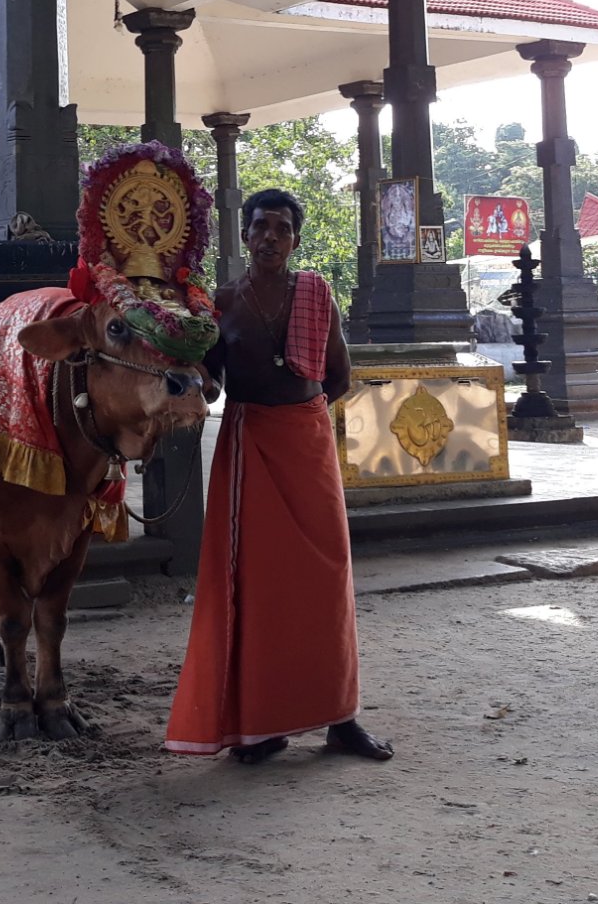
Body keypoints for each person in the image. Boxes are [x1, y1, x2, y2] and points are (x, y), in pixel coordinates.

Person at [165, 186, 393, 765]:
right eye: (261, 227)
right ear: (244, 235)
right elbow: (212, 380)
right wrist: (188, 376)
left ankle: (341, 720)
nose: (270, 238)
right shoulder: (221, 303)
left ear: (294, 239)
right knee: (257, 584)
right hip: (250, 446)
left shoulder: (316, 293)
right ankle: (262, 726)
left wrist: (304, 415)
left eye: (282, 230)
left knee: (326, 576)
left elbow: (339, 375)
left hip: (307, 442)